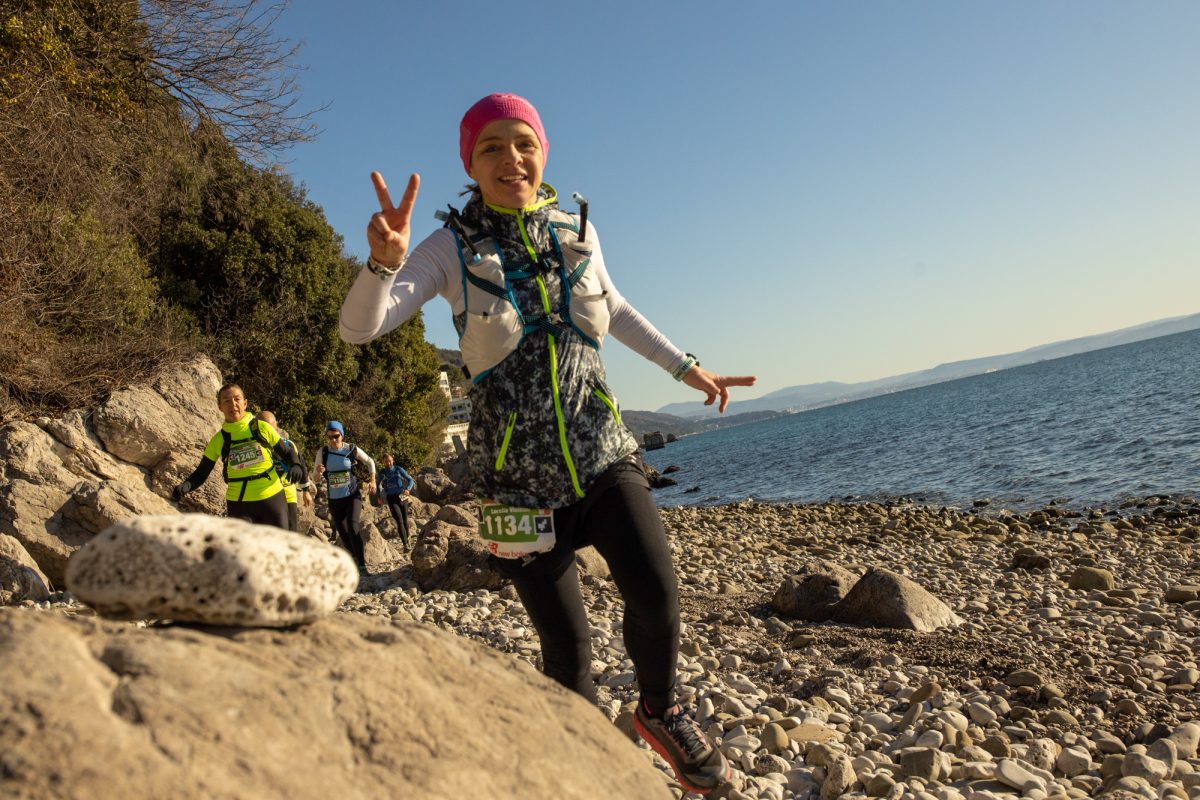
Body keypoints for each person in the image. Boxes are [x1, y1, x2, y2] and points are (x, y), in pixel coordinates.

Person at [338, 92, 755, 795]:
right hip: (514, 484)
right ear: (470, 164)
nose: (511, 158)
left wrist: (686, 367)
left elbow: (614, 305)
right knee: (567, 652)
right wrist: (381, 265)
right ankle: (592, 772)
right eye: (491, 147)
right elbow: (359, 329)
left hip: (602, 452)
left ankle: (660, 711)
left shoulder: (577, 229)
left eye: (523, 143)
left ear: (543, 153)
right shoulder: (449, 247)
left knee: (656, 592)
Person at [173, 384, 306, 529]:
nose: (233, 404)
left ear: (245, 403)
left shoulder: (261, 428)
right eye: (226, 401)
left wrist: (296, 465)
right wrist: (185, 487)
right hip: (239, 504)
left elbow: (287, 452)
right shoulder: (219, 440)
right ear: (220, 407)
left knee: (279, 542)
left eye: (237, 399)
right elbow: (201, 473)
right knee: (241, 544)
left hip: (272, 497)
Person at [313, 420, 377, 571]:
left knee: (353, 525)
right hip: (334, 499)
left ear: (342, 435)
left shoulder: (351, 449)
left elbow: (370, 462)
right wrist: (318, 473)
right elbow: (315, 478)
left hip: (352, 495)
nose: (333, 440)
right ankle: (354, 558)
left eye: (336, 436)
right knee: (343, 532)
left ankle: (362, 565)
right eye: (330, 437)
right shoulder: (323, 452)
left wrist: (373, 480)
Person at [255, 410, 314, 533]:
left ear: (276, 425)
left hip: (288, 492)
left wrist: (306, 491)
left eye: (271, 428)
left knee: (291, 529)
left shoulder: (288, 444)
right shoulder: (254, 446)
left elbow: (301, 465)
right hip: (265, 493)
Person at [376, 454, 415, 550]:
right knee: (399, 521)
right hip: (391, 498)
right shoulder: (382, 473)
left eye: (389, 461)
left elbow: (410, 480)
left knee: (405, 520)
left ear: (393, 460)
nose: (388, 463)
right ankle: (405, 544)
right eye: (386, 461)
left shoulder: (398, 469)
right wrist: (378, 496)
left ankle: (408, 541)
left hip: (402, 496)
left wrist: (408, 489)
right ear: (383, 462)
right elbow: (377, 485)